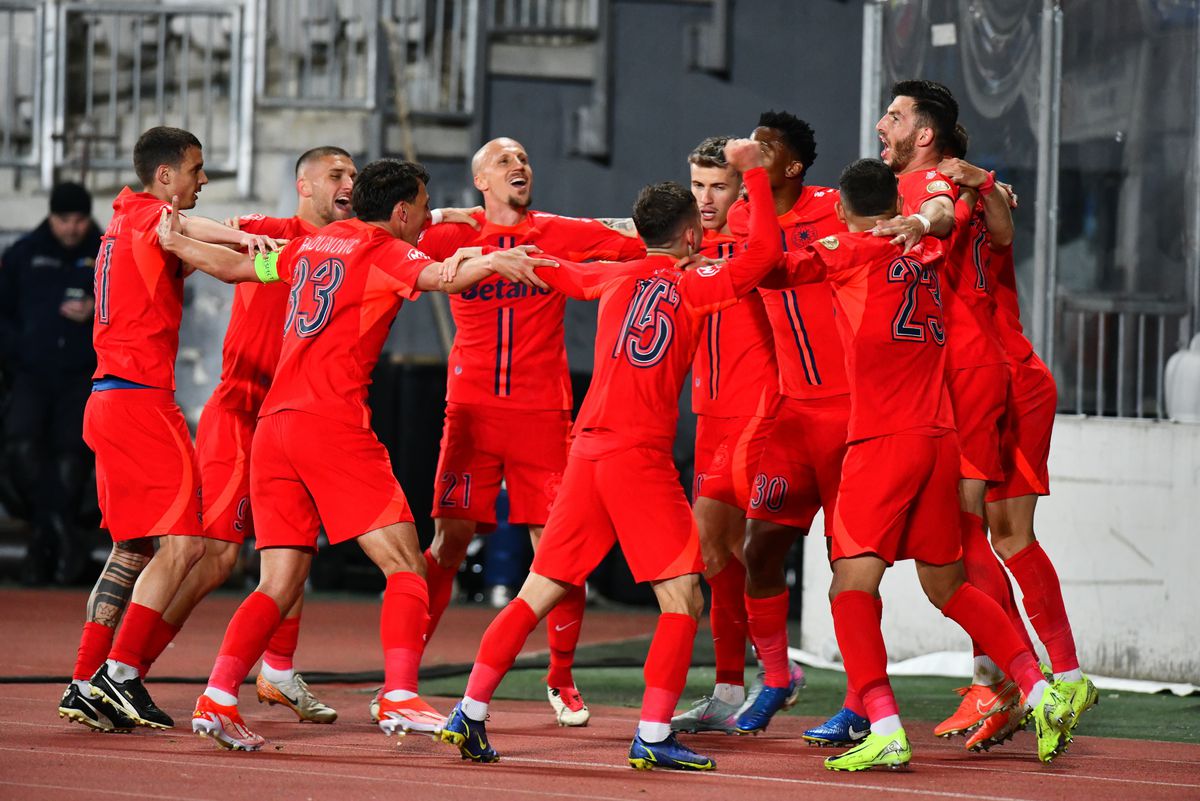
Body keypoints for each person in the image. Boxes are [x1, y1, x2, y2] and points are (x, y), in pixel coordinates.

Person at [160, 158, 554, 752]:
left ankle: (217, 695)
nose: (426, 216)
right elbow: (446, 276)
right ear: (400, 211)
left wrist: (176, 241)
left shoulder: (315, 245)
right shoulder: (383, 248)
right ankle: (399, 692)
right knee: (405, 563)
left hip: (275, 426)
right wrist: (497, 258)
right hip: (332, 423)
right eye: (421, 206)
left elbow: (240, 266)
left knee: (278, 580)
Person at [437, 137, 782, 772]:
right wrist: (755, 176)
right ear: (689, 236)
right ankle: (652, 735)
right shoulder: (696, 283)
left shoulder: (612, 277)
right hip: (638, 458)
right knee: (683, 599)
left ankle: (471, 713)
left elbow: (549, 267)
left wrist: (486, 254)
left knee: (536, 590)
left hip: (585, 452)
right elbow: (764, 253)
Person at [764, 157, 1076, 770]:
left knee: (850, 585)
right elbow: (951, 212)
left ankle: (882, 723)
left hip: (882, 440)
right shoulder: (932, 249)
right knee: (948, 583)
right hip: (940, 438)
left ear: (844, 209)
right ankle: (1042, 691)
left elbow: (767, 269)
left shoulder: (849, 249)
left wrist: (751, 186)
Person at [411, 137, 645, 726]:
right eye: (503, 160)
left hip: (543, 416)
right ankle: (403, 677)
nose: (519, 165)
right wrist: (441, 214)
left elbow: (649, 241)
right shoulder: (448, 237)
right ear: (480, 182)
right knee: (447, 541)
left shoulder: (560, 230)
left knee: (559, 555)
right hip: (469, 414)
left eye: (524, 158)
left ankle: (561, 678)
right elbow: (379, 232)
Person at [56, 127, 283, 735]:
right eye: (197, 169)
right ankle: (121, 674)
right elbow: (214, 250)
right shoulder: (154, 218)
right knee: (185, 545)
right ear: (165, 176)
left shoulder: (122, 221)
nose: (202, 180)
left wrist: (248, 251)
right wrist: (268, 252)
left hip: (107, 398)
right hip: (140, 403)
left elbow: (198, 249)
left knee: (133, 548)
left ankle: (84, 681)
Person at [130, 146, 360, 726]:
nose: (348, 184)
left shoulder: (358, 245)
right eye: (337, 174)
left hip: (298, 417)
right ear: (304, 186)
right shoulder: (269, 231)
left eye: (354, 176)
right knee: (215, 558)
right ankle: (128, 670)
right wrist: (210, 238)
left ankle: (278, 673)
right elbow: (206, 229)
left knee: (292, 551)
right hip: (240, 409)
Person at [936, 135, 1095, 750]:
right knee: (1001, 534)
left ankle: (1008, 681)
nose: (882, 127)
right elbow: (998, 225)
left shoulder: (958, 197)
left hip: (999, 379)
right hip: (997, 378)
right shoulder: (974, 195)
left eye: (895, 117)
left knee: (976, 532)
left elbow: (994, 227)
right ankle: (1057, 675)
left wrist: (982, 182)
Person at [731, 111, 850, 736]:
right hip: (794, 410)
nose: (754, 148)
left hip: (855, 408)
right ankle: (776, 677)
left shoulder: (838, 205)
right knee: (761, 544)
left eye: (767, 145)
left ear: (795, 166)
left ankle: (861, 700)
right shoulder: (747, 214)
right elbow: (766, 252)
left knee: (849, 562)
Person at [671, 135, 779, 734]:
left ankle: (762, 673)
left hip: (760, 413)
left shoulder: (757, 239)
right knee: (720, 554)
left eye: (719, 185)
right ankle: (740, 682)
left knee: (733, 547)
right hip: (708, 416)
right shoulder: (688, 244)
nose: (706, 198)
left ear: (741, 187)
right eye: (698, 186)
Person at [0, 182, 100, 586]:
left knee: (71, 457)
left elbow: (137, 306)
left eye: (79, 220)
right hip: (30, 374)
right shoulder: (23, 254)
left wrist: (97, 311)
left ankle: (47, 544)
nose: (72, 229)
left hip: (83, 376)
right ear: (51, 216)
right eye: (64, 220)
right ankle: (59, 536)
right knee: (20, 448)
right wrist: (22, 350)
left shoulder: (108, 252)